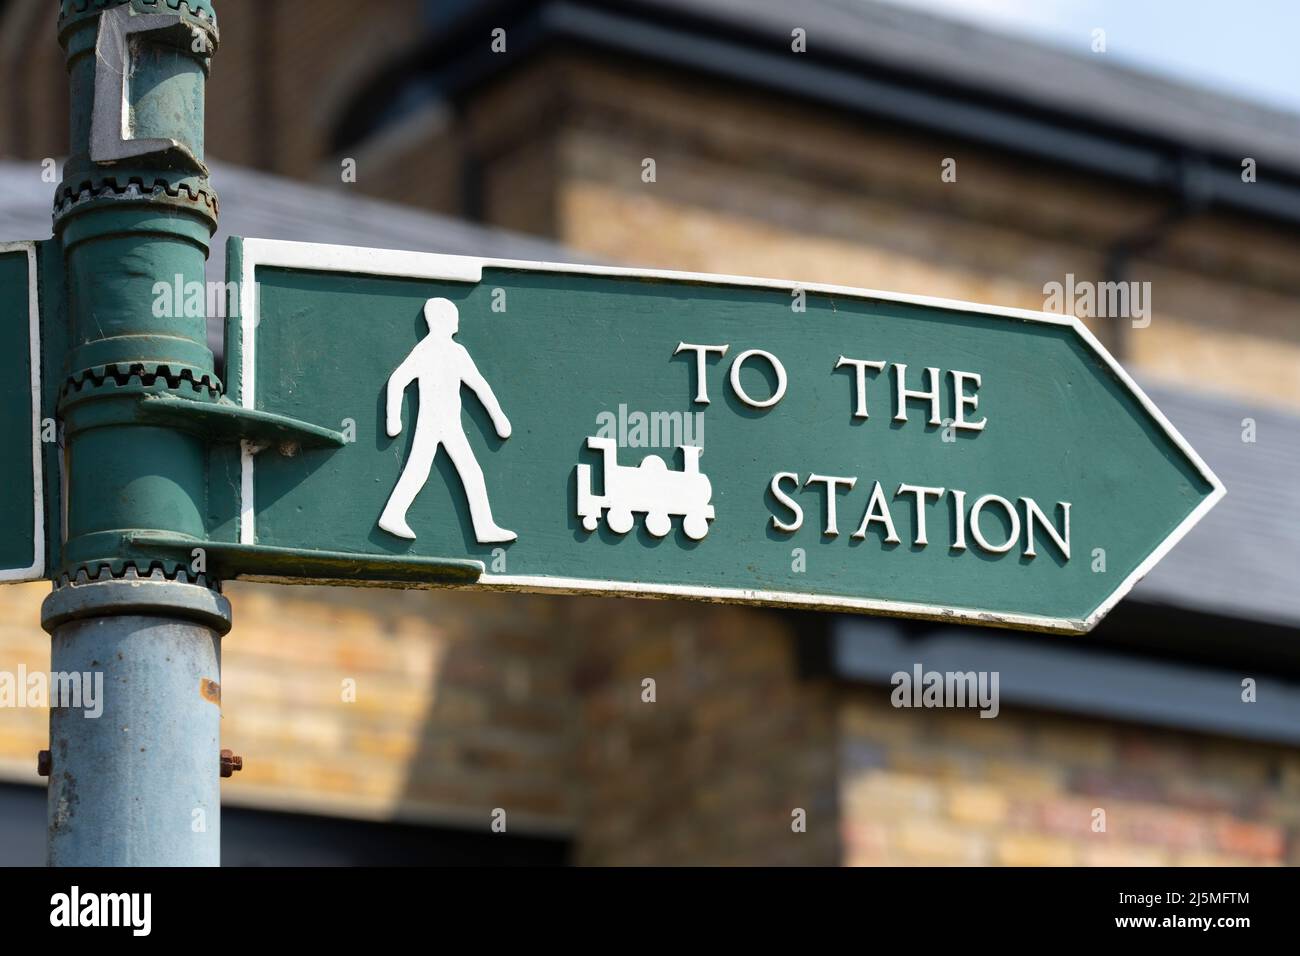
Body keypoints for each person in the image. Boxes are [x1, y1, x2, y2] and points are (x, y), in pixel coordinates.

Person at [378, 297, 516, 543]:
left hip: (450, 425)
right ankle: (392, 516)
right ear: (442, 320)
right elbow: (397, 380)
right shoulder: (428, 350)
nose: (457, 324)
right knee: (421, 470)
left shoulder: (455, 352)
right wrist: (393, 419)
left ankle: (483, 527)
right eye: (453, 318)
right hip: (431, 424)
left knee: (467, 472)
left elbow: (479, 386)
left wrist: (498, 418)